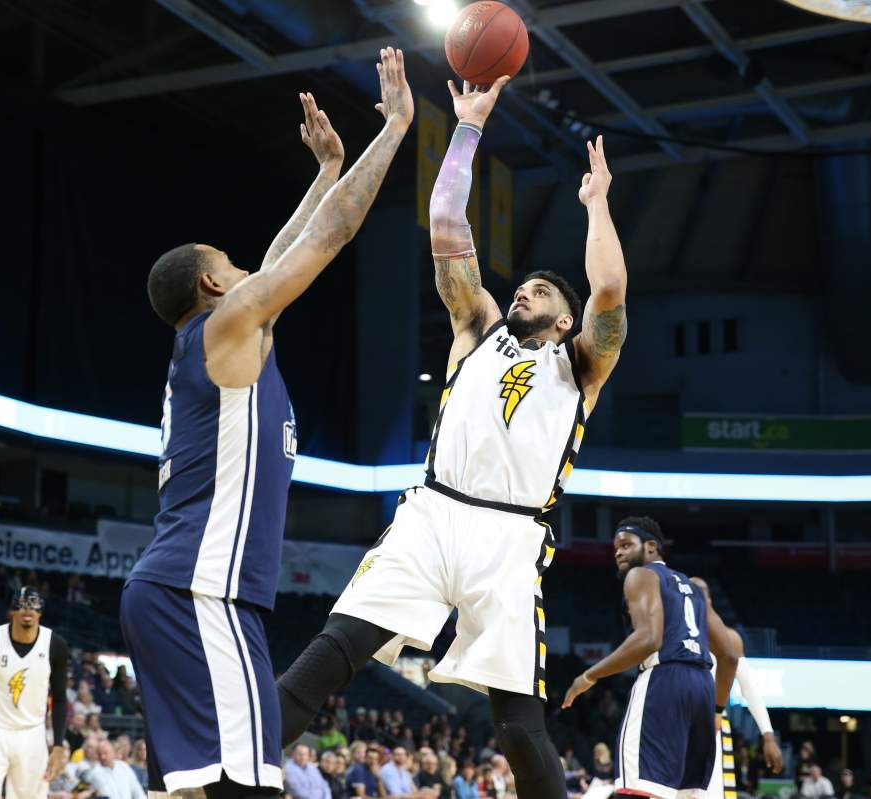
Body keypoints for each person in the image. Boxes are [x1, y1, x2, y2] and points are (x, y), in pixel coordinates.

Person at [277, 73, 629, 799]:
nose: (526, 290)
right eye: (524, 285)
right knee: (331, 653)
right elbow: (446, 222)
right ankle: (224, 778)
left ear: (565, 320)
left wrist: (596, 207)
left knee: (516, 727)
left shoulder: (580, 363)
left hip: (510, 538)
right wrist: (466, 128)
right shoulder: (477, 328)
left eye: (542, 291)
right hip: (432, 512)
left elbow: (610, 293)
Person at [119, 47, 414, 799]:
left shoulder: (225, 336)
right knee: (247, 788)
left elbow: (287, 252)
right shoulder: (225, 329)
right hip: (200, 590)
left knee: (199, 789)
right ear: (214, 283)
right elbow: (326, 241)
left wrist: (322, 172)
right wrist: (395, 131)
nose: (252, 266)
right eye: (234, 261)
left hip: (187, 589)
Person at [562, 517, 738, 799]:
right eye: (615, 548)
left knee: (639, 790)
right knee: (680, 793)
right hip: (703, 687)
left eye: (626, 544)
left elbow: (648, 639)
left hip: (664, 680)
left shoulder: (641, 575)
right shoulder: (695, 589)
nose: (618, 552)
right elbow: (729, 655)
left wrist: (588, 676)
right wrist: (717, 710)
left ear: (652, 546)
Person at [687, 576, 784, 799]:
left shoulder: (730, 638)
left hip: (713, 724)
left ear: (710, 600)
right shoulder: (671, 636)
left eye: (702, 597)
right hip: (678, 723)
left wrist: (768, 736)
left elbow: (750, 689)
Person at [0, 586, 71, 799]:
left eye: (33, 605)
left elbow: (59, 700)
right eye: (20, 605)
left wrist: (58, 745)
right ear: (11, 611)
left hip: (33, 733)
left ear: (41, 611)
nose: (27, 610)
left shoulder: (55, 645)